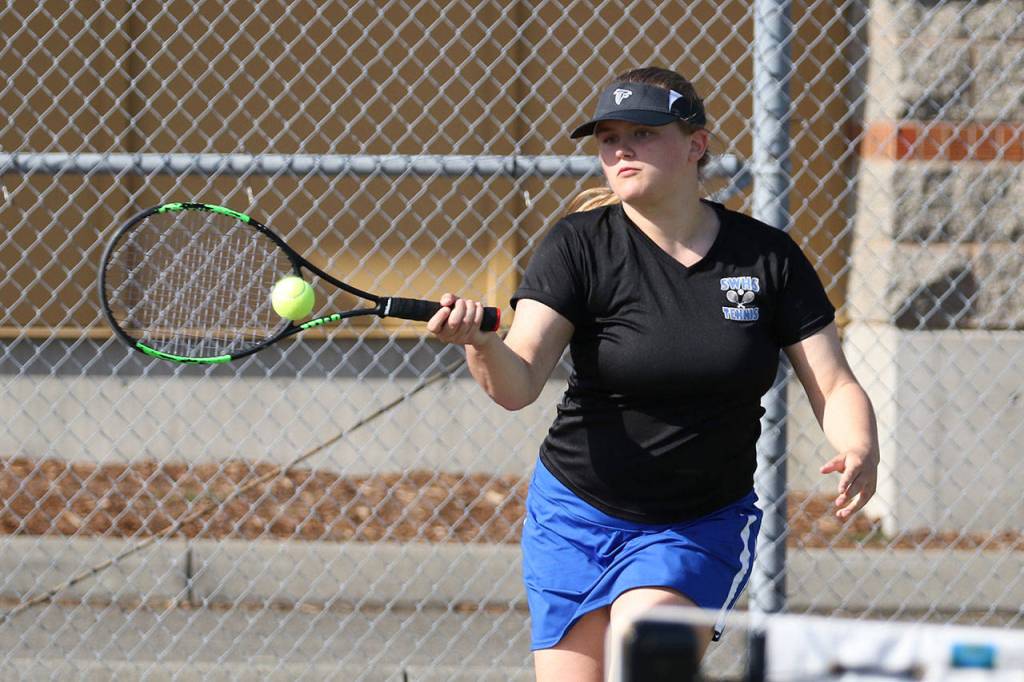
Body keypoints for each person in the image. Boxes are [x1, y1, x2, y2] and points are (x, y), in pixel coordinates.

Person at [427, 66, 880, 682]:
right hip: (576, 514)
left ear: (696, 145)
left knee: (646, 662)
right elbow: (519, 382)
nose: (620, 149)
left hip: (695, 524)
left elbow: (834, 382)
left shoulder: (766, 257)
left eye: (641, 133)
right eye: (608, 136)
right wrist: (481, 344)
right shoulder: (577, 245)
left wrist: (859, 446)